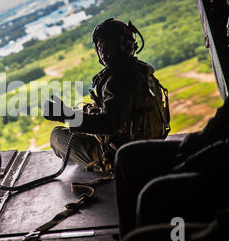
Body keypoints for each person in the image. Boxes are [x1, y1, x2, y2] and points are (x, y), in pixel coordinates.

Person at [114, 0, 229, 241]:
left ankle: (158, 237)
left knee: (153, 195)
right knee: (128, 159)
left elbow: (111, 120)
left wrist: (69, 119)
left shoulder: (124, 77)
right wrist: (199, 141)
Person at [44, 18, 170, 174]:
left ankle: (93, 161)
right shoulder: (140, 71)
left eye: (104, 45)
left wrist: (65, 115)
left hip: (124, 159)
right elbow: (121, 111)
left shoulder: (118, 79)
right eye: (100, 46)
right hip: (151, 147)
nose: (102, 51)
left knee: (57, 136)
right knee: (83, 109)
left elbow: (109, 124)